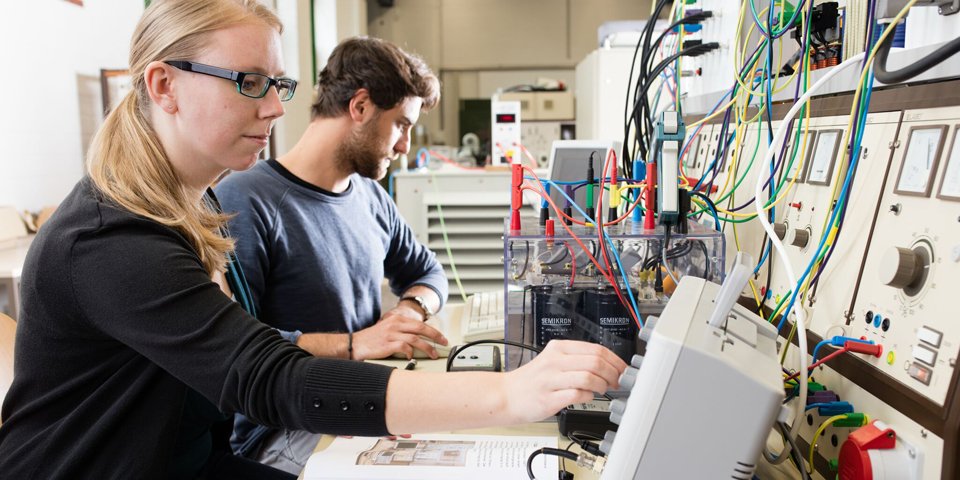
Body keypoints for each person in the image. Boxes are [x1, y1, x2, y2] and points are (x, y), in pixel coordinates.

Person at [0, 1, 627, 479]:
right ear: (164, 86)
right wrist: (507, 393)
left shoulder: (199, 199)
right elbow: (267, 376)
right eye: (249, 82)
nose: (274, 109)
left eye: (279, 85)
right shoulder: (113, 238)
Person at [213, 37, 450, 472]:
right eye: (401, 124)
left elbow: (429, 272)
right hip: (284, 429)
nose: (404, 146)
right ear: (360, 107)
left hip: (357, 399)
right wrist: (355, 345)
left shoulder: (370, 197)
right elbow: (236, 352)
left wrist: (410, 311)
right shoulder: (245, 202)